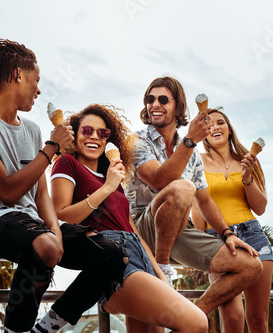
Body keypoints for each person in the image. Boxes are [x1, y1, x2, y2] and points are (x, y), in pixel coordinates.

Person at [0, 37, 126, 333]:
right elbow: (7, 191)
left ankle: (48, 326)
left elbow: (41, 192)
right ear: (18, 75)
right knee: (45, 245)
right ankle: (15, 330)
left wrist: (57, 231)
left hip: (34, 223)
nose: (39, 89)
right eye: (36, 80)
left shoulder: (32, 130)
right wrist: (51, 149)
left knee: (113, 255)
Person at [50, 104, 208, 333]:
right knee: (197, 323)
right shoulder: (68, 163)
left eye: (102, 133)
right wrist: (107, 188)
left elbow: (131, 227)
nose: (95, 137)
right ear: (75, 134)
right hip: (113, 260)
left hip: (141, 256)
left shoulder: (110, 175)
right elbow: (61, 215)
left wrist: (159, 272)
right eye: (87, 131)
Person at [125, 76, 263, 316]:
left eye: (163, 99)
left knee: (251, 265)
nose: (154, 104)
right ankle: (163, 270)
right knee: (183, 187)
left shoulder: (192, 153)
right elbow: (159, 180)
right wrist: (190, 141)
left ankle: (193, 315)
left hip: (178, 227)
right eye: (150, 99)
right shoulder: (136, 141)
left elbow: (206, 201)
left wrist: (227, 233)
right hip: (140, 226)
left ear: (178, 108)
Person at [191, 108, 273, 333]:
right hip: (218, 240)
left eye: (221, 122)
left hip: (253, 235)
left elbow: (260, 208)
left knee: (257, 318)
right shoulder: (196, 161)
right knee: (233, 318)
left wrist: (248, 179)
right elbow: (197, 204)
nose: (215, 127)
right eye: (209, 123)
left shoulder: (249, 161)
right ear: (204, 131)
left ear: (229, 129)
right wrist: (199, 245)